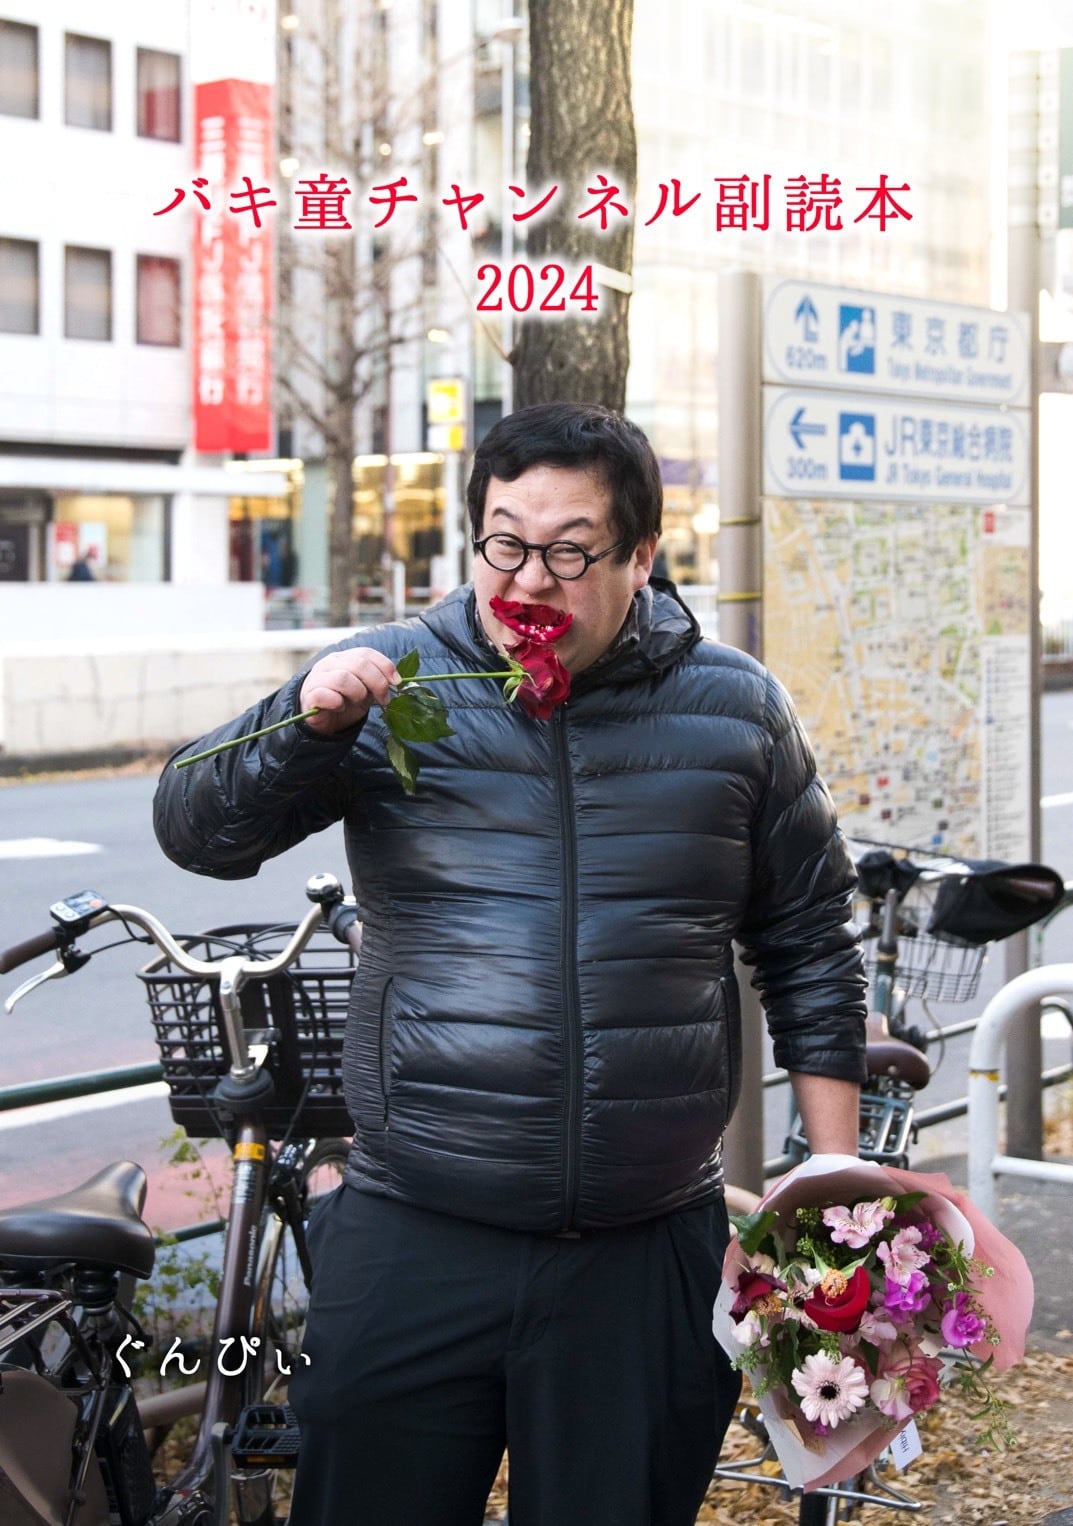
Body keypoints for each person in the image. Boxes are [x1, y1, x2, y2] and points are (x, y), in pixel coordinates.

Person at [153, 402, 866, 1526]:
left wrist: (833, 1179)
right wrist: (304, 721)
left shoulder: (735, 708)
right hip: (412, 1230)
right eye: (504, 542)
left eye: (571, 550)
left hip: (644, 1250)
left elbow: (810, 939)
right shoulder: (393, 680)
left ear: (640, 554)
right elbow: (197, 831)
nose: (529, 580)